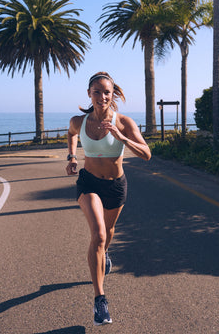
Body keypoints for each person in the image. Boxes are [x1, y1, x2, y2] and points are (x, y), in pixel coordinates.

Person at [66, 71, 151, 326]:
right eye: (97, 91)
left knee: (109, 233)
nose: (102, 96)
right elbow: (70, 134)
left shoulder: (124, 122)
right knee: (99, 235)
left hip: (115, 186)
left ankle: (104, 255)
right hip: (89, 183)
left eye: (107, 91)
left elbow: (146, 154)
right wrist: (71, 157)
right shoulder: (79, 122)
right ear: (89, 94)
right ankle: (99, 301)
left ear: (113, 94)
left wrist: (122, 137)